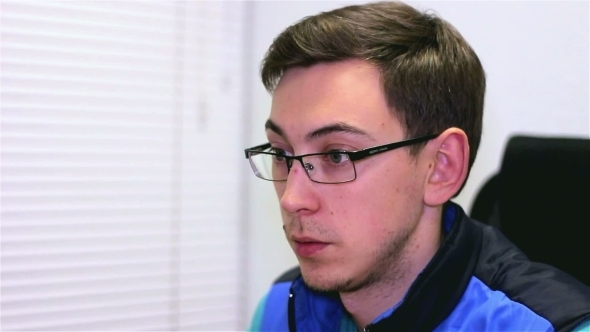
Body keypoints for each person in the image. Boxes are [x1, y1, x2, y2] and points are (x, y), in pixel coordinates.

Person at [243, 1, 590, 331]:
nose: (292, 199)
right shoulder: (280, 309)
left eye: (337, 156)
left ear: (441, 167)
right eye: (283, 155)